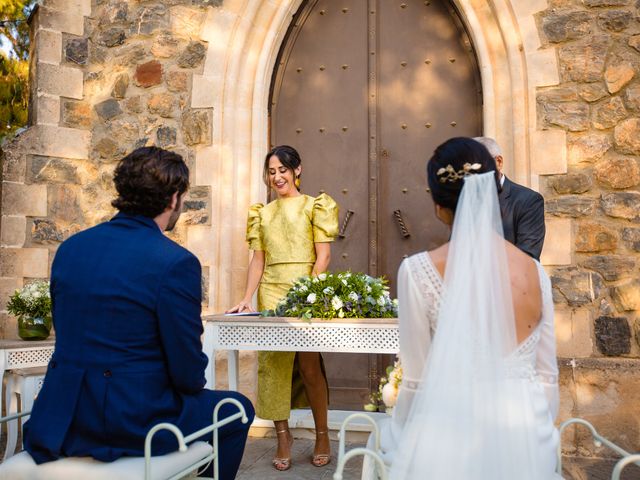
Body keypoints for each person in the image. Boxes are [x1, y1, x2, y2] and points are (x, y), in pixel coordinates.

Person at [23, 147, 255, 480]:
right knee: (237, 410)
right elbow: (188, 373)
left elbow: (69, 332)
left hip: (62, 417)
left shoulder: (71, 248)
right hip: (130, 422)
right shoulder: (175, 262)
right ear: (174, 198)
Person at [362, 138, 559, 479]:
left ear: (438, 206)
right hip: (528, 437)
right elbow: (547, 377)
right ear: (493, 191)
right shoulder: (536, 273)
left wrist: (402, 440)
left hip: (449, 438)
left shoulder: (418, 272)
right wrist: (536, 441)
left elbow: (417, 383)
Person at [227, 145, 339, 471]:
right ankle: (282, 437)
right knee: (272, 368)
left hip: (303, 292)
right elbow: (257, 261)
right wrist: (247, 298)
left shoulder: (313, 206)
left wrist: (309, 292)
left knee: (309, 367)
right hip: (272, 294)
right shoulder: (261, 214)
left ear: (297, 170)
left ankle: (322, 435)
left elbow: (324, 256)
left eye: (283, 170)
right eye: (271, 171)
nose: (277, 177)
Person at [473, 136, 545, 260]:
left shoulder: (528, 201)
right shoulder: (463, 200)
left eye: (478, 167)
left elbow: (528, 256)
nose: (473, 175)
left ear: (499, 162)